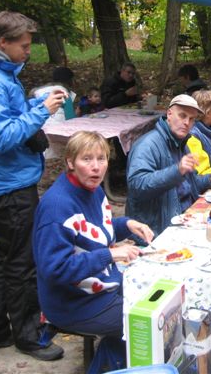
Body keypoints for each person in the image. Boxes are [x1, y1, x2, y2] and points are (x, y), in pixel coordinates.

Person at [0, 11, 65, 361]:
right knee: (22, 263)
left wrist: (36, 102)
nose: (28, 51)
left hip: (3, 184)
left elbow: (8, 115)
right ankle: (29, 337)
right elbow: (3, 137)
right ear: (1, 43)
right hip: (9, 188)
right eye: (23, 45)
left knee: (4, 258)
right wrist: (42, 112)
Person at [33, 131, 153, 373]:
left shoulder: (94, 189)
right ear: (70, 162)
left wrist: (127, 224)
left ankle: (114, 351)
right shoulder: (57, 207)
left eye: (102, 159)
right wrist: (109, 255)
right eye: (87, 159)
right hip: (72, 302)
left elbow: (95, 232)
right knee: (146, 322)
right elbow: (54, 270)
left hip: (102, 284)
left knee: (159, 294)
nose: (96, 167)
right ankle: (109, 363)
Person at [126, 94, 211, 235]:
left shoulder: (182, 143)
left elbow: (191, 184)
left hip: (186, 216)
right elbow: (137, 185)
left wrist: (210, 179)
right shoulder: (147, 145)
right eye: (182, 116)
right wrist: (177, 171)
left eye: (191, 119)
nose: (186, 122)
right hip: (156, 229)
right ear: (169, 114)